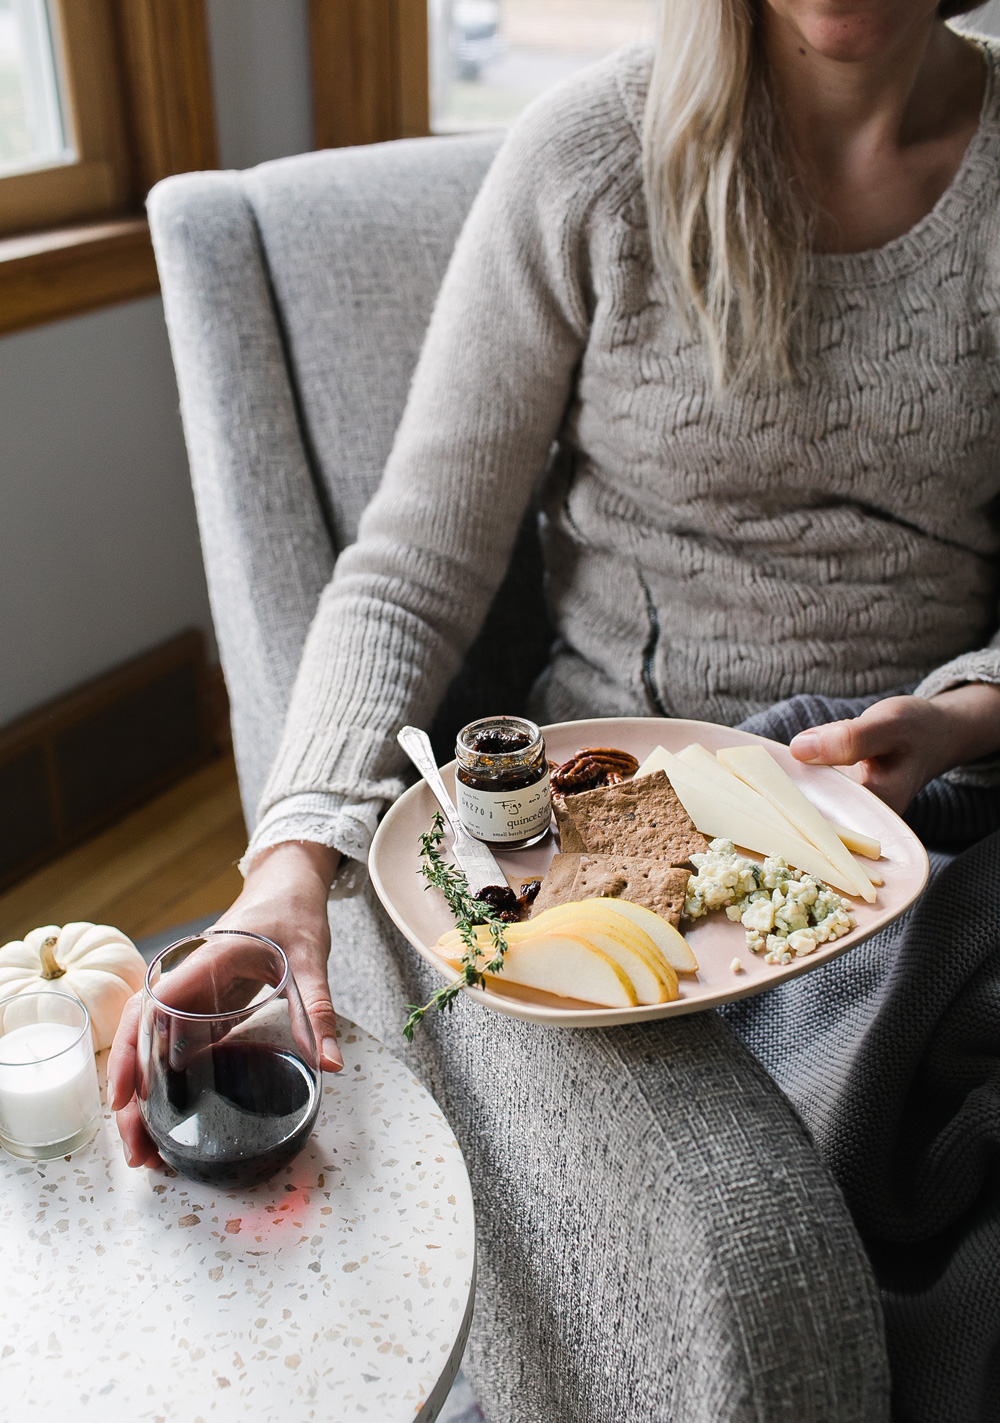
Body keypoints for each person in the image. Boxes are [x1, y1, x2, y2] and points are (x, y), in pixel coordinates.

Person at [111, 2, 1000, 1419]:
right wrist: (289, 863)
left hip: (922, 811)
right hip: (607, 818)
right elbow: (409, 567)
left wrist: (970, 708)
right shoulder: (589, 158)